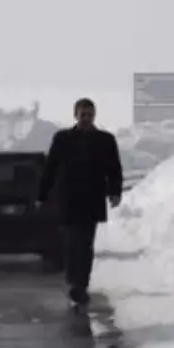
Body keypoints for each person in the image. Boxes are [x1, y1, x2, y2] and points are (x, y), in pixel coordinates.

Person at [38, 98, 124, 307]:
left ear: (94, 116)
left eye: (90, 115)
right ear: (75, 115)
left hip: (92, 198)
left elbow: (114, 168)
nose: (86, 119)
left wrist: (115, 192)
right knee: (70, 243)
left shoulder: (105, 140)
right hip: (68, 198)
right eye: (83, 114)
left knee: (85, 244)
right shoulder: (63, 138)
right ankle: (73, 281)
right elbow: (51, 167)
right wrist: (42, 195)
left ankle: (81, 285)